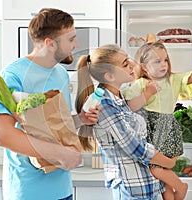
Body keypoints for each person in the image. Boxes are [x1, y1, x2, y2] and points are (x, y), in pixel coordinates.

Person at [0, 8, 99, 200]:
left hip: (63, 189)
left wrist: (80, 119)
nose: (77, 44)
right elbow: (2, 135)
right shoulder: (12, 75)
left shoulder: (61, 74)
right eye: (71, 39)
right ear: (50, 44)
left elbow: (56, 126)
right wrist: (61, 154)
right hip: (27, 193)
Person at [75, 44, 180, 200]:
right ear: (109, 76)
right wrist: (169, 162)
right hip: (132, 190)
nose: (132, 64)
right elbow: (135, 147)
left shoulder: (119, 98)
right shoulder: (104, 104)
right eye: (125, 63)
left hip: (143, 188)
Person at [122, 42, 192, 199]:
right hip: (149, 131)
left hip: (166, 129)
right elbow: (130, 105)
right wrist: (147, 93)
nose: (164, 64)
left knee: (156, 170)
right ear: (144, 67)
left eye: (165, 60)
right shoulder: (142, 84)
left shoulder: (173, 80)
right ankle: (177, 192)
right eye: (157, 61)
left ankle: (181, 187)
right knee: (162, 178)